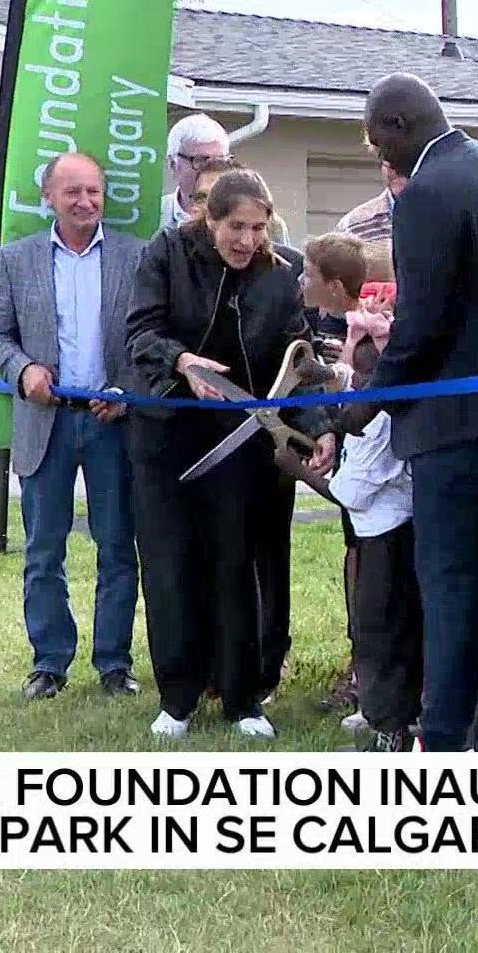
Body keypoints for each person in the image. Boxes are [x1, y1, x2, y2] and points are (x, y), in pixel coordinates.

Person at [361, 73, 478, 753]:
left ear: (403, 125)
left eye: (381, 140)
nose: (382, 158)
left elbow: (423, 325)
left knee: (448, 584)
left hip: (448, 422)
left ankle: (442, 736)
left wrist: (372, 401)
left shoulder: (426, 194)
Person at [126, 168, 336, 739]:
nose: (247, 241)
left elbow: (301, 361)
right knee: (170, 567)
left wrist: (320, 427)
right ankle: (178, 699)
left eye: (258, 228)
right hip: (168, 435)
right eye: (236, 227)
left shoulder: (278, 274)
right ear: (209, 220)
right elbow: (139, 334)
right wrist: (182, 362)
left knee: (236, 566)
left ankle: (243, 700)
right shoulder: (165, 256)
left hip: (241, 441)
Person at [0, 152, 143, 701]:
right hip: (45, 423)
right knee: (44, 550)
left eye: (93, 191)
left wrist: (127, 392)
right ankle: (49, 662)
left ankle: (115, 663)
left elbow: (148, 340)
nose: (85, 202)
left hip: (111, 423)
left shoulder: (134, 256)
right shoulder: (16, 259)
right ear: (49, 197)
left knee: (118, 547)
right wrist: (23, 369)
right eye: (72, 192)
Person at [325, 294, 421, 753]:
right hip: (392, 533)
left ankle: (388, 729)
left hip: (382, 538)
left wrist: (296, 467)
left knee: (379, 633)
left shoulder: (372, 421)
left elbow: (350, 490)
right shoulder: (378, 406)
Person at [162, 114, 232, 229]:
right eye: (201, 161)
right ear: (173, 165)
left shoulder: (247, 221)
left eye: (220, 160)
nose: (212, 169)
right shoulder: (150, 219)